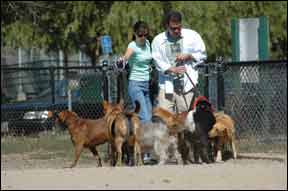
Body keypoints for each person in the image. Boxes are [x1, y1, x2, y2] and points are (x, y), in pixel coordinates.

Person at [151, 11, 207, 113]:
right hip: (166, 85)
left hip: (187, 85)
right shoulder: (158, 40)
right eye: (173, 28)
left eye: (179, 27)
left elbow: (202, 55)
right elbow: (157, 60)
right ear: (167, 25)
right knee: (164, 116)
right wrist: (171, 69)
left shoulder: (193, 36)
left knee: (184, 118)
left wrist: (189, 56)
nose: (177, 30)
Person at [116, 21, 154, 164]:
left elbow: (149, 61)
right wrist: (121, 62)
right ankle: (144, 153)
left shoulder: (148, 44)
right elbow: (125, 58)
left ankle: (141, 151)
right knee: (145, 117)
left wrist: (150, 69)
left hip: (146, 85)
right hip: (135, 85)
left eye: (145, 34)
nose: (143, 37)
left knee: (149, 116)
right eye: (140, 34)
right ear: (135, 34)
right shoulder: (132, 46)